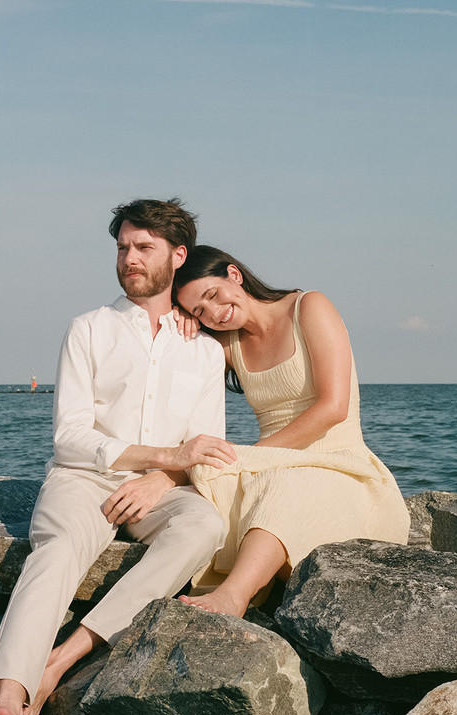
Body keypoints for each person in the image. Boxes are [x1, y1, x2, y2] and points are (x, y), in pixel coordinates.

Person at [0, 199, 236, 715]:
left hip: (161, 489)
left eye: (143, 248)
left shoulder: (204, 350)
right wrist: (163, 457)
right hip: (85, 478)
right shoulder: (88, 329)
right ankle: (9, 697)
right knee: (60, 545)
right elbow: (69, 437)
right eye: (122, 248)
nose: (129, 259)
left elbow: (203, 447)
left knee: (205, 524)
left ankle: (58, 663)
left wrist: (163, 478)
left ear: (177, 256)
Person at [171, 245, 410, 618]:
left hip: (342, 466)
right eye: (199, 310)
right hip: (274, 464)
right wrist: (175, 323)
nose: (215, 312)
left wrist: (252, 457)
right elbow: (173, 372)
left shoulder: (308, 307)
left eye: (213, 295)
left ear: (234, 275)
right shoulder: (226, 343)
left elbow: (333, 408)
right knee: (199, 479)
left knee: (285, 483)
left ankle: (235, 594)